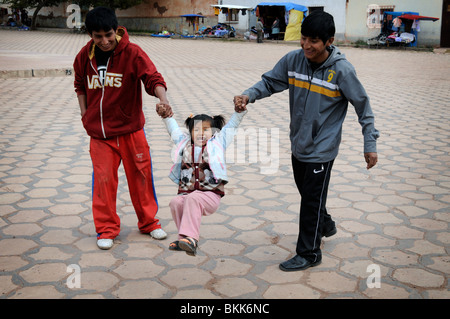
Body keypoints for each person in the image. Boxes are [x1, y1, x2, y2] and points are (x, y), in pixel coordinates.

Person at [234, 11, 379, 271]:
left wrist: (370, 144)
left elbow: (363, 108)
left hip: (323, 149)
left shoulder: (342, 71)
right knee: (310, 194)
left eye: (313, 40)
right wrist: (248, 95)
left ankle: (310, 252)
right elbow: (270, 82)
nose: (306, 45)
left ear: (329, 41)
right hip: (298, 143)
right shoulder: (294, 60)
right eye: (303, 38)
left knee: (310, 201)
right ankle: (325, 224)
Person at [73, 7, 171, 250]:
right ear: (90, 35)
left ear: (116, 30)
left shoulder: (133, 53)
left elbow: (153, 78)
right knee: (103, 181)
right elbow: (80, 86)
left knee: (141, 176)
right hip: (100, 135)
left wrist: (163, 100)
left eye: (108, 35)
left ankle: (149, 223)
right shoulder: (84, 56)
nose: (105, 41)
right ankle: (106, 229)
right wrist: (86, 116)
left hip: (131, 131)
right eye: (98, 36)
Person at [156, 104, 247, 256]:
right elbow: (173, 130)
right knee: (176, 202)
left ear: (213, 131)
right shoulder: (183, 143)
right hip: (189, 195)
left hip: (210, 195)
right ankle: (184, 239)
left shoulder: (218, 143)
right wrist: (166, 117)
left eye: (206, 130)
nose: (201, 133)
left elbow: (231, 127)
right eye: (196, 130)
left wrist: (239, 113)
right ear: (190, 132)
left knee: (193, 198)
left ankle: (192, 238)